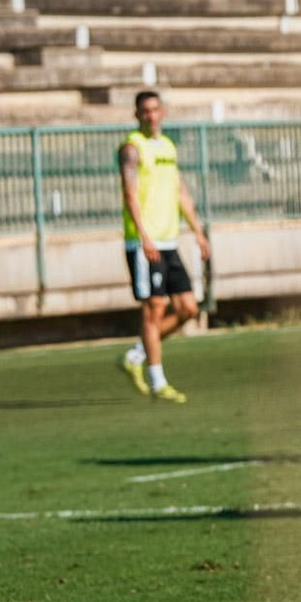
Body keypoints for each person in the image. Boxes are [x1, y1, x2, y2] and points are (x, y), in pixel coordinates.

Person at [116, 91, 210, 404]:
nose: (151, 116)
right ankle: (158, 382)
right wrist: (143, 236)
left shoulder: (168, 147)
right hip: (146, 241)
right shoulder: (132, 148)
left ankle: (137, 354)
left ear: (163, 112)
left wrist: (198, 232)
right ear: (137, 115)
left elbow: (180, 191)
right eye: (145, 111)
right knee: (154, 308)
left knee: (188, 308)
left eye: (155, 110)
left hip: (169, 240)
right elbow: (129, 193)